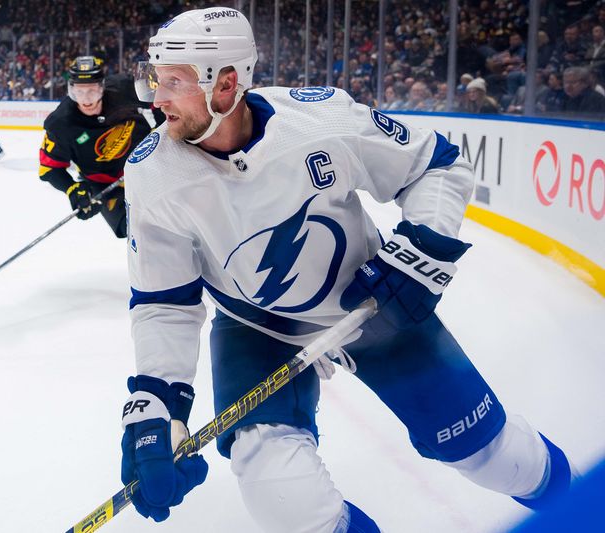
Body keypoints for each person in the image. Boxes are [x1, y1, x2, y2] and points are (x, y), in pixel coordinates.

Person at [118, 7, 574, 532]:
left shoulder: (321, 119)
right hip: (256, 328)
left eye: (174, 81)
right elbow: (162, 302)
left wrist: (418, 257)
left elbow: (436, 164)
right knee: (281, 497)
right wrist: (155, 404)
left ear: (225, 85)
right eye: (155, 78)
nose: (156, 98)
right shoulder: (152, 174)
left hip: (374, 299)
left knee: (495, 458)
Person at [38, 56, 164, 238]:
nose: (86, 100)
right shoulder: (61, 123)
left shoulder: (123, 87)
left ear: (102, 87)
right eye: (78, 93)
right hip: (104, 182)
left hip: (149, 165)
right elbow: (48, 169)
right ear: (70, 90)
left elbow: (158, 93)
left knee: (176, 213)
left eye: (92, 91)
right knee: (132, 229)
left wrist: (163, 126)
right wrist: (72, 189)